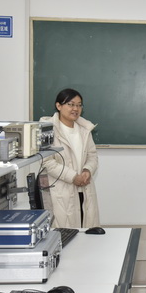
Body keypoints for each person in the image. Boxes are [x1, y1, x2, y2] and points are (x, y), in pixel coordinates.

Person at [41, 88, 101, 229]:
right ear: (58, 106)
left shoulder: (84, 130)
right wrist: (73, 177)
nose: (76, 109)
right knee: (66, 234)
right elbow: (47, 162)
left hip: (84, 189)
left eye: (79, 105)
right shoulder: (47, 130)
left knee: (87, 232)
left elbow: (92, 155)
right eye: (71, 104)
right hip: (61, 191)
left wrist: (87, 170)